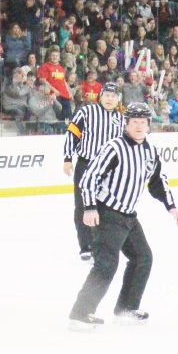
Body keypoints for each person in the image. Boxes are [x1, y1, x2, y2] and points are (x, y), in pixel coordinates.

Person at [68, 102, 178, 331]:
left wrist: (172, 207)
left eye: (143, 122)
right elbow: (90, 178)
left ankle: (126, 309)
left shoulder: (150, 151)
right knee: (107, 265)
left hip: (129, 217)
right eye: (134, 122)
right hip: (107, 214)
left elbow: (159, 181)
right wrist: (89, 208)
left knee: (143, 258)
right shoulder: (114, 147)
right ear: (126, 124)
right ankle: (80, 314)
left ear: (149, 126)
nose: (139, 127)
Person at [63, 82, 125, 261]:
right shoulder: (87, 112)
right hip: (86, 164)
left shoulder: (121, 119)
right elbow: (72, 134)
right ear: (100, 96)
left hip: (109, 169)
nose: (109, 99)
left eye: (113, 96)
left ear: (118, 99)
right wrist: (67, 158)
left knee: (107, 208)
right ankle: (86, 245)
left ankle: (102, 245)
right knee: (83, 206)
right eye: (107, 95)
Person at [38, 46, 73, 121]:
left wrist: (69, 92)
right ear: (50, 56)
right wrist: (53, 90)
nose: (55, 57)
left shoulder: (61, 68)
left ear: (59, 57)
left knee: (68, 115)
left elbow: (63, 81)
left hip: (64, 95)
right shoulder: (45, 66)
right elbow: (42, 80)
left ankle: (66, 129)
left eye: (56, 56)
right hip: (53, 95)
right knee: (58, 115)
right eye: (53, 56)